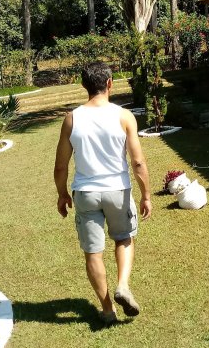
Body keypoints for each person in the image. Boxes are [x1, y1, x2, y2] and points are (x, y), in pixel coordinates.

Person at [54, 62, 152, 324]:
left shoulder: (71, 119)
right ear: (109, 83)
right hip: (117, 191)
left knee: (93, 253)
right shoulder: (124, 116)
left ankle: (108, 310)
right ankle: (123, 285)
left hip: (85, 193)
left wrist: (62, 194)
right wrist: (146, 195)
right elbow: (138, 162)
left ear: (83, 85)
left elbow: (61, 166)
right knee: (124, 238)